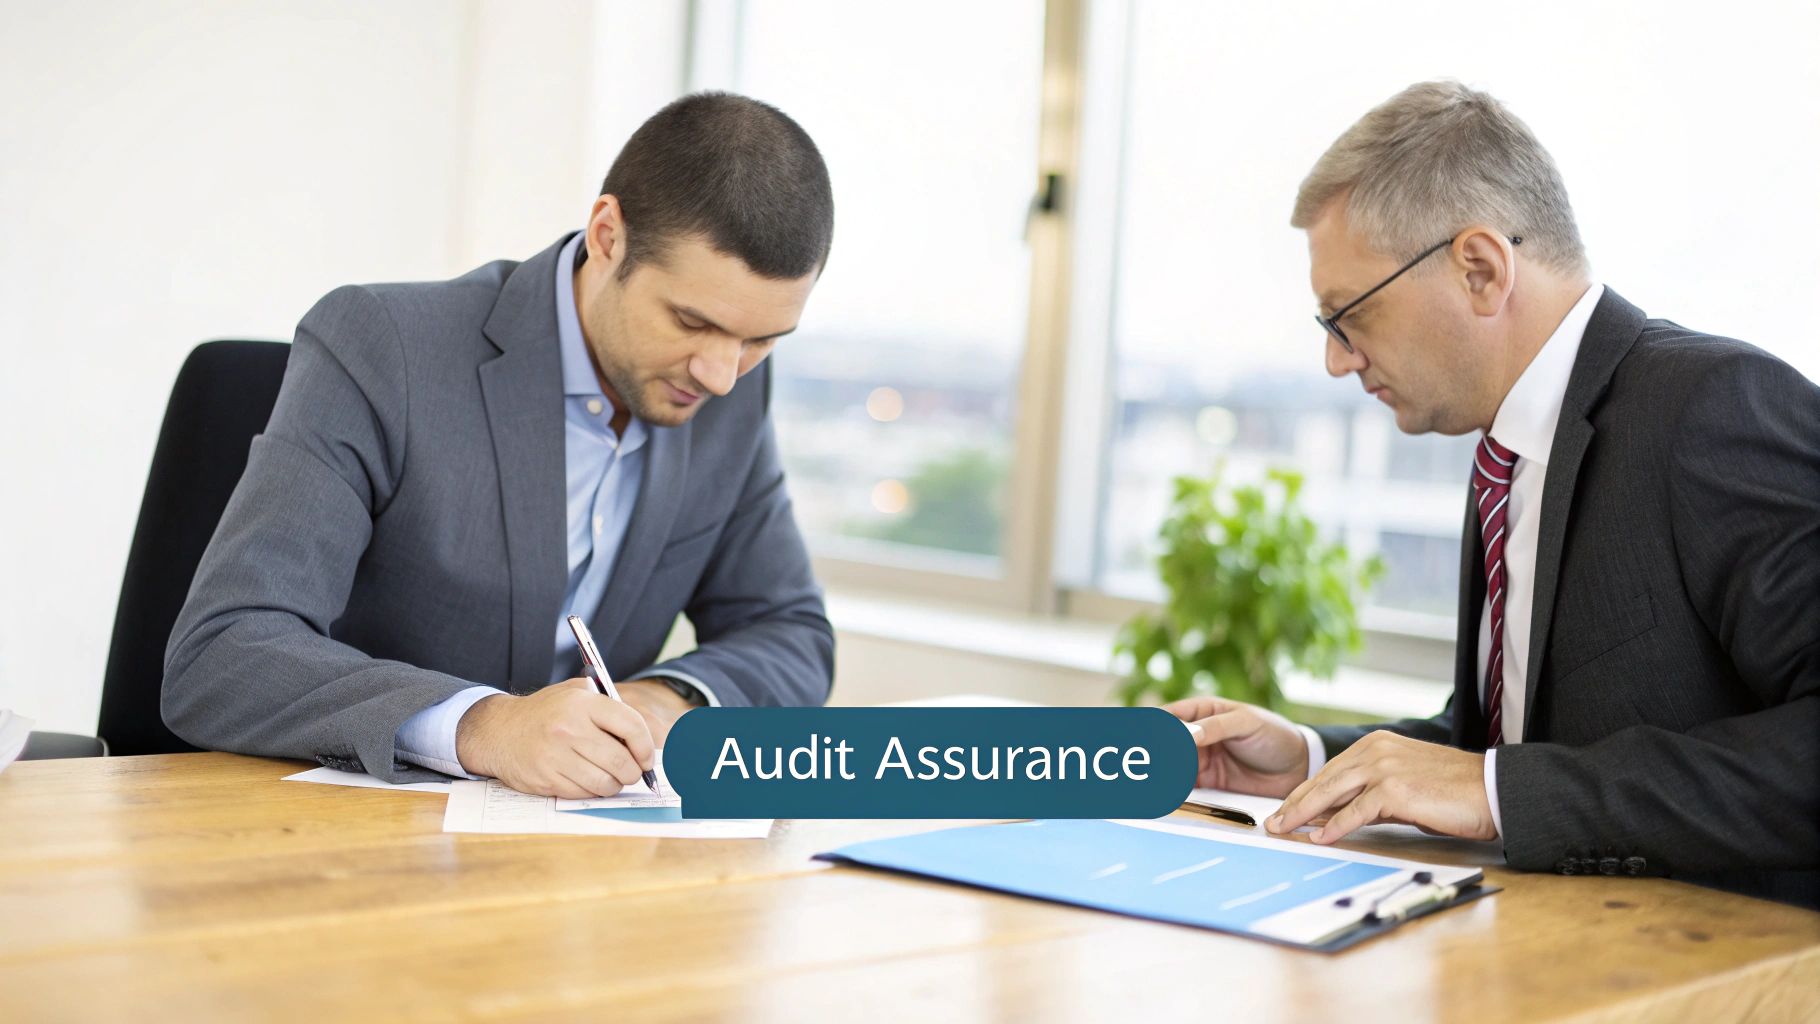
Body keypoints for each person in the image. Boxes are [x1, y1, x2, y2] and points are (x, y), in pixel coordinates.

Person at [1165, 80, 1819, 907]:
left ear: (1480, 269)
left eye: (1347, 316)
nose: (1337, 360)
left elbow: (1503, 784)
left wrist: (1494, 790)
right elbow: (1505, 749)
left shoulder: (1711, 410)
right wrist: (1308, 760)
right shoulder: (1507, 454)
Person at [164, 92, 836, 799]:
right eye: (691, 322)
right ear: (608, 236)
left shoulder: (731, 398)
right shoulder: (383, 345)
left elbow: (790, 632)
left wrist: (668, 700)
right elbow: (223, 652)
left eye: (762, 340)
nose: (721, 375)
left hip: (581, 839)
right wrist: (486, 726)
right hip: (342, 828)